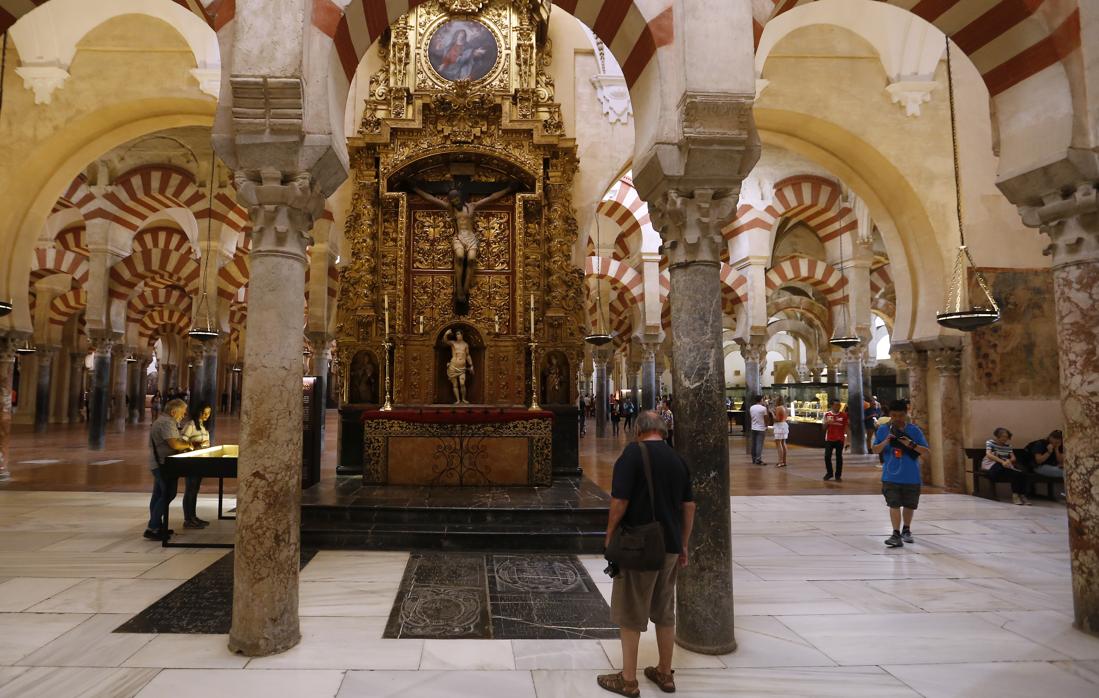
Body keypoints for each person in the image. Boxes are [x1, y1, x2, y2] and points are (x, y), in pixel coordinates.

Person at [598, 411, 696, 697]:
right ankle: (665, 673)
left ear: (639, 429)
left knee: (631, 612)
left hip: (639, 547)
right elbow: (689, 506)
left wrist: (609, 534)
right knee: (665, 612)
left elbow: (620, 501)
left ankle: (628, 681)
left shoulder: (633, 454)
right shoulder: (678, 459)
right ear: (662, 431)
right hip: (669, 547)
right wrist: (684, 543)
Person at [872, 400, 930, 547]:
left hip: (911, 475)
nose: (897, 418)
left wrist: (909, 443)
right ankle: (895, 533)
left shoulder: (914, 430)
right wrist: (886, 441)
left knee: (910, 505)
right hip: (890, 475)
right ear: (890, 415)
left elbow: (925, 451)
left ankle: (906, 529)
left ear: (906, 415)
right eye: (894, 415)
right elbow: (875, 449)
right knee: (894, 504)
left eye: (901, 415)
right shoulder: (883, 430)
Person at [145, 398, 193, 540]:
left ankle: (156, 526)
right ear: (173, 411)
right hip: (163, 465)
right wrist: (189, 445)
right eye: (182, 412)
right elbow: (174, 444)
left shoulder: (162, 420)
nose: (183, 416)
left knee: (158, 495)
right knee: (168, 494)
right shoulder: (167, 422)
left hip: (158, 463)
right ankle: (153, 527)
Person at [181, 404, 212, 529]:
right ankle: (188, 519)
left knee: (195, 490)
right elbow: (182, 442)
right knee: (190, 490)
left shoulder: (204, 427)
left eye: (208, 413)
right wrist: (194, 445)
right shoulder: (191, 425)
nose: (206, 416)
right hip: (191, 462)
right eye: (204, 413)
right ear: (198, 412)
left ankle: (193, 516)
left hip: (200, 462)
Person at [982, 427, 1029, 505]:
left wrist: (1008, 461)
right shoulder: (990, 442)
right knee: (1014, 473)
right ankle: (1016, 496)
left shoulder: (1008, 446)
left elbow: (1013, 458)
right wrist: (1002, 462)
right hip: (992, 465)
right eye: (1003, 436)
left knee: (1021, 472)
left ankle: (1021, 495)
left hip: (1005, 465)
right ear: (997, 436)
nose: (1005, 438)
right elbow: (989, 455)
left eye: (1006, 437)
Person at [822, 399, 848, 481]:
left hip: (840, 439)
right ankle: (829, 473)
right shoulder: (827, 414)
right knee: (827, 456)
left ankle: (838, 475)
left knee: (839, 457)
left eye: (839, 405)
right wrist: (827, 423)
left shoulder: (843, 415)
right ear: (832, 405)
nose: (838, 406)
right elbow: (823, 428)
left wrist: (848, 441)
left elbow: (847, 428)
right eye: (836, 405)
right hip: (829, 439)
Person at [748, 395, 768, 465]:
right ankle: (758, 459)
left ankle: (753, 459)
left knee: (754, 444)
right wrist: (766, 426)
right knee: (759, 444)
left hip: (753, 427)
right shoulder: (763, 408)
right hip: (761, 428)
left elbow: (752, 417)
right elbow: (765, 418)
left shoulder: (751, 407)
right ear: (761, 400)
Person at [772, 395, 789, 468]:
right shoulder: (785, 408)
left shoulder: (778, 408)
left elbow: (777, 419)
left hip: (779, 426)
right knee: (783, 443)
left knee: (778, 444)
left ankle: (780, 462)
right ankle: (784, 461)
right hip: (784, 425)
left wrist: (772, 413)